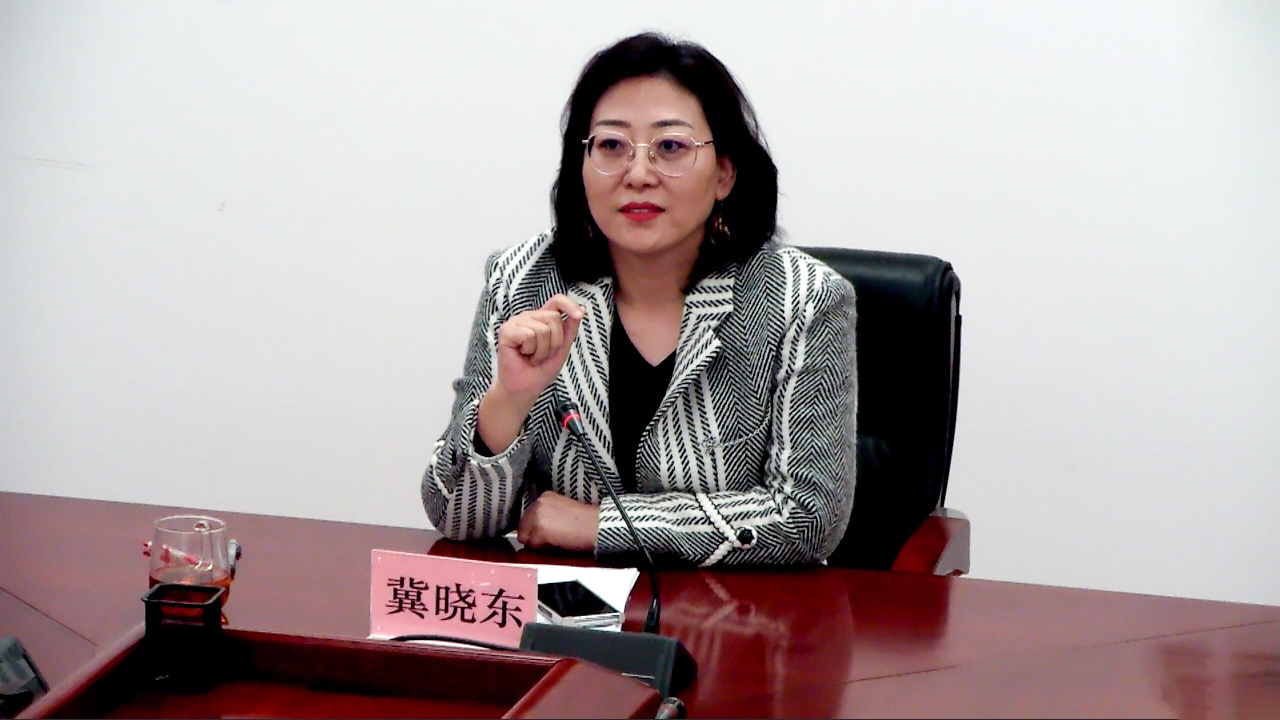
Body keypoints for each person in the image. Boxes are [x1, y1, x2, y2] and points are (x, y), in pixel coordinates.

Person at [422, 32, 856, 567]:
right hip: (568, 612)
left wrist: (601, 525)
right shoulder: (522, 281)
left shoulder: (801, 299)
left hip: (732, 612)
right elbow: (457, 518)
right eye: (611, 146)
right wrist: (508, 401)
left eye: (670, 147)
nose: (639, 174)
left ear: (724, 172)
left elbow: (808, 518)